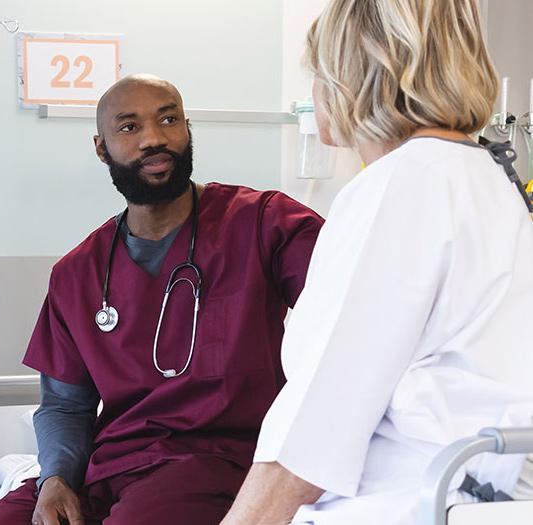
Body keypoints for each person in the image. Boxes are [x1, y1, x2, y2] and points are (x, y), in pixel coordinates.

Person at [220, 1, 533, 524]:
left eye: (318, 71)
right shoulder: (484, 180)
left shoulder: (402, 184)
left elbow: (309, 440)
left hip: (406, 505)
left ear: (354, 75)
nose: (314, 90)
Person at [0, 74, 324, 525]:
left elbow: (352, 304)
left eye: (168, 119)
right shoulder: (77, 273)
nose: (155, 139)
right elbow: (65, 404)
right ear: (101, 148)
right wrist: (56, 479)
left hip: (218, 459)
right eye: (129, 127)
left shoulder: (265, 222)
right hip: (110, 467)